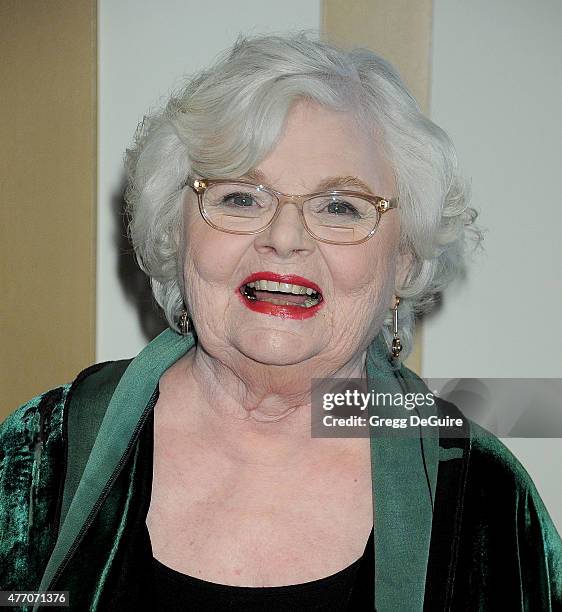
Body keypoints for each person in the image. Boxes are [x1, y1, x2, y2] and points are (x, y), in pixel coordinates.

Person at [1, 32, 561, 612]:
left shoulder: (484, 496)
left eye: (340, 206)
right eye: (241, 197)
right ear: (176, 230)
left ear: (403, 263)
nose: (284, 239)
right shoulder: (41, 454)